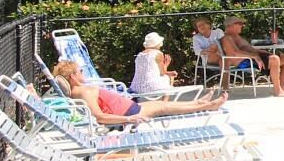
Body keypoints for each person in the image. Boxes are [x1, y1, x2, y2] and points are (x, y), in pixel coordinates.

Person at [54, 58, 224, 124]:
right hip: (128, 111)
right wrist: (128, 118)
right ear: (72, 77)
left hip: (128, 107)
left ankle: (200, 103)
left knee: (161, 104)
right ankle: (206, 106)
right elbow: (99, 117)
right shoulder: (84, 92)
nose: (82, 73)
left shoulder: (79, 91)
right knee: (163, 107)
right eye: (79, 71)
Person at [222, 15, 284, 96]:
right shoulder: (227, 38)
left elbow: (247, 49)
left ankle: (283, 86)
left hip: (253, 58)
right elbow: (234, 53)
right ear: (232, 25)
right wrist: (255, 56)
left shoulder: (236, 37)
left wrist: (260, 52)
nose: (242, 25)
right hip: (246, 62)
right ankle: (277, 91)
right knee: (275, 59)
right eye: (240, 23)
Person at [131, 31, 178, 97]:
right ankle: (165, 103)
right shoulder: (158, 53)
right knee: (170, 77)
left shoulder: (139, 54)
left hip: (136, 87)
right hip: (151, 87)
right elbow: (162, 73)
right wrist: (166, 64)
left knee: (169, 74)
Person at [191, 16, 226, 83]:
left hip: (223, 57)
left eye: (203, 24)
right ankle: (224, 84)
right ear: (197, 29)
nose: (201, 27)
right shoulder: (196, 38)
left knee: (220, 47)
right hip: (208, 60)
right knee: (217, 49)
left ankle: (224, 83)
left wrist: (215, 46)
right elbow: (197, 51)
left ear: (209, 24)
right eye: (199, 26)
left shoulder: (218, 32)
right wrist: (208, 50)